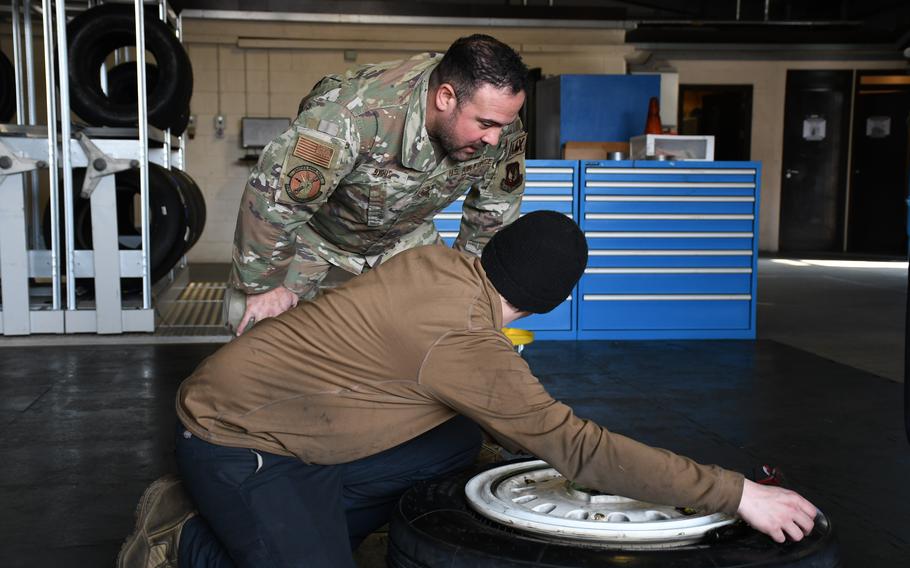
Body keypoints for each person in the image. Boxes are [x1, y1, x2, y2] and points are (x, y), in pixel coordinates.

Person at [117, 211, 818, 568]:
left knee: (456, 437)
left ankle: (292, 522)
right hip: (235, 437)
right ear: (550, 303)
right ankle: (182, 537)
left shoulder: (439, 261)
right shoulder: (464, 343)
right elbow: (579, 449)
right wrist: (736, 492)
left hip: (290, 411)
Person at [228, 34, 530, 335]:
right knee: (253, 321)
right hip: (317, 233)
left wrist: (471, 288)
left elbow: (494, 210)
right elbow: (275, 201)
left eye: (503, 125)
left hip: (403, 235)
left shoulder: (501, 124)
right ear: (446, 98)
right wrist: (263, 286)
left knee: (455, 319)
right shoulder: (349, 114)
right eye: (485, 124)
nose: (494, 138)